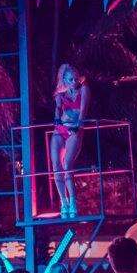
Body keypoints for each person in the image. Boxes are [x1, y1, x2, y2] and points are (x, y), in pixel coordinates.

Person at [50, 63, 89, 218]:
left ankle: (73, 202)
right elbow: (58, 109)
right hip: (61, 129)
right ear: (64, 80)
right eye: (70, 79)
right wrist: (57, 117)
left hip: (75, 128)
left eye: (75, 78)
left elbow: (83, 111)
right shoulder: (60, 93)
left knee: (67, 164)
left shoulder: (84, 90)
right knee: (56, 166)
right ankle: (63, 202)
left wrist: (78, 126)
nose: (74, 81)